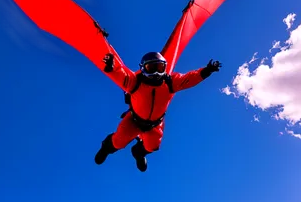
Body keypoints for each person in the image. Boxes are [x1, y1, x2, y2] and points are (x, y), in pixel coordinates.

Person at [94, 51, 222, 171]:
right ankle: (106, 148)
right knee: (118, 141)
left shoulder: (170, 82)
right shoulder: (135, 81)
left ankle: (138, 153)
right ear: (143, 69)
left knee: (153, 145)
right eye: (151, 68)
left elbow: (189, 79)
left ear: (164, 68)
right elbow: (122, 75)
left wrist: (206, 71)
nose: (156, 73)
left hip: (155, 125)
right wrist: (111, 68)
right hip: (134, 120)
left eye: (159, 68)